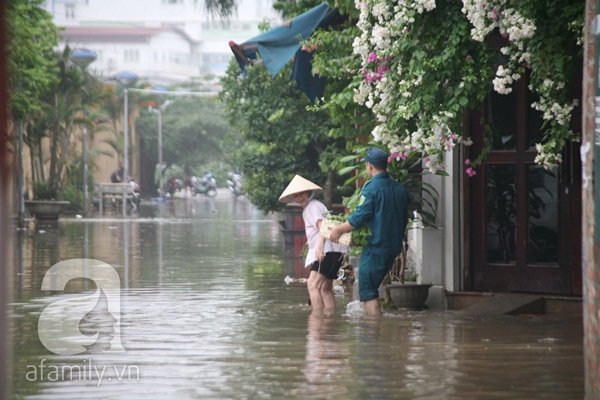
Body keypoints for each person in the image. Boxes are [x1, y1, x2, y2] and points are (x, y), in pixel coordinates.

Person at [329, 148, 410, 316]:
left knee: (367, 291)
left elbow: (360, 217)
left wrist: (338, 229)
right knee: (371, 288)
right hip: (393, 247)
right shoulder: (400, 189)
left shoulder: (372, 189)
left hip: (376, 246)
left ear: (369, 165)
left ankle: (372, 336)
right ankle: (375, 331)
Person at [279, 175, 349, 309]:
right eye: (296, 195)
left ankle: (317, 322)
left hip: (326, 250)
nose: (299, 197)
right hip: (335, 251)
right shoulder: (316, 206)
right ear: (292, 198)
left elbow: (323, 227)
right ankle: (329, 321)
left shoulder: (312, 207)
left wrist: (320, 247)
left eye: (302, 194)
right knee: (325, 288)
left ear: (309, 192)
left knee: (312, 285)